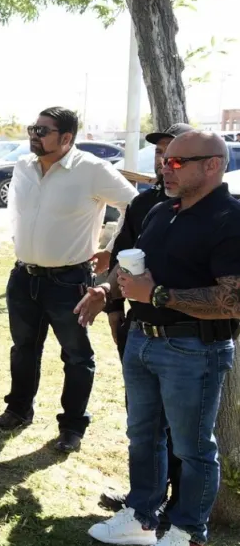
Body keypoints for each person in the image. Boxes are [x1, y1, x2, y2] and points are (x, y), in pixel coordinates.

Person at [80, 131, 239, 546]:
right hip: (142, 340)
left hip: (194, 348)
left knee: (193, 448)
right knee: (143, 436)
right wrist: (105, 290)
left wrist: (157, 295)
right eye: (165, 160)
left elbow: (234, 299)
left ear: (212, 165)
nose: (165, 167)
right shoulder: (159, 211)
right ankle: (141, 516)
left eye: (176, 162)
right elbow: (129, 268)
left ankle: (188, 531)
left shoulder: (230, 217)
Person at [0, 106, 137, 453]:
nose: (33, 135)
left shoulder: (92, 170)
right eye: (32, 128)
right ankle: (18, 409)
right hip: (23, 276)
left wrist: (112, 248)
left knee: (76, 356)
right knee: (24, 349)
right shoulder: (24, 166)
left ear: (66, 138)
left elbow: (136, 205)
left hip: (70, 281)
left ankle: (72, 427)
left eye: (42, 131)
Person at [92, 123, 192, 514]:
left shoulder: (214, 210)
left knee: (184, 429)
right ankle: (144, 497)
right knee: (144, 422)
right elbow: (120, 263)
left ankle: (181, 505)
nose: (165, 161)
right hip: (141, 330)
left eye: (175, 154)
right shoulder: (142, 204)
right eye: (160, 153)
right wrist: (116, 315)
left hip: (191, 338)